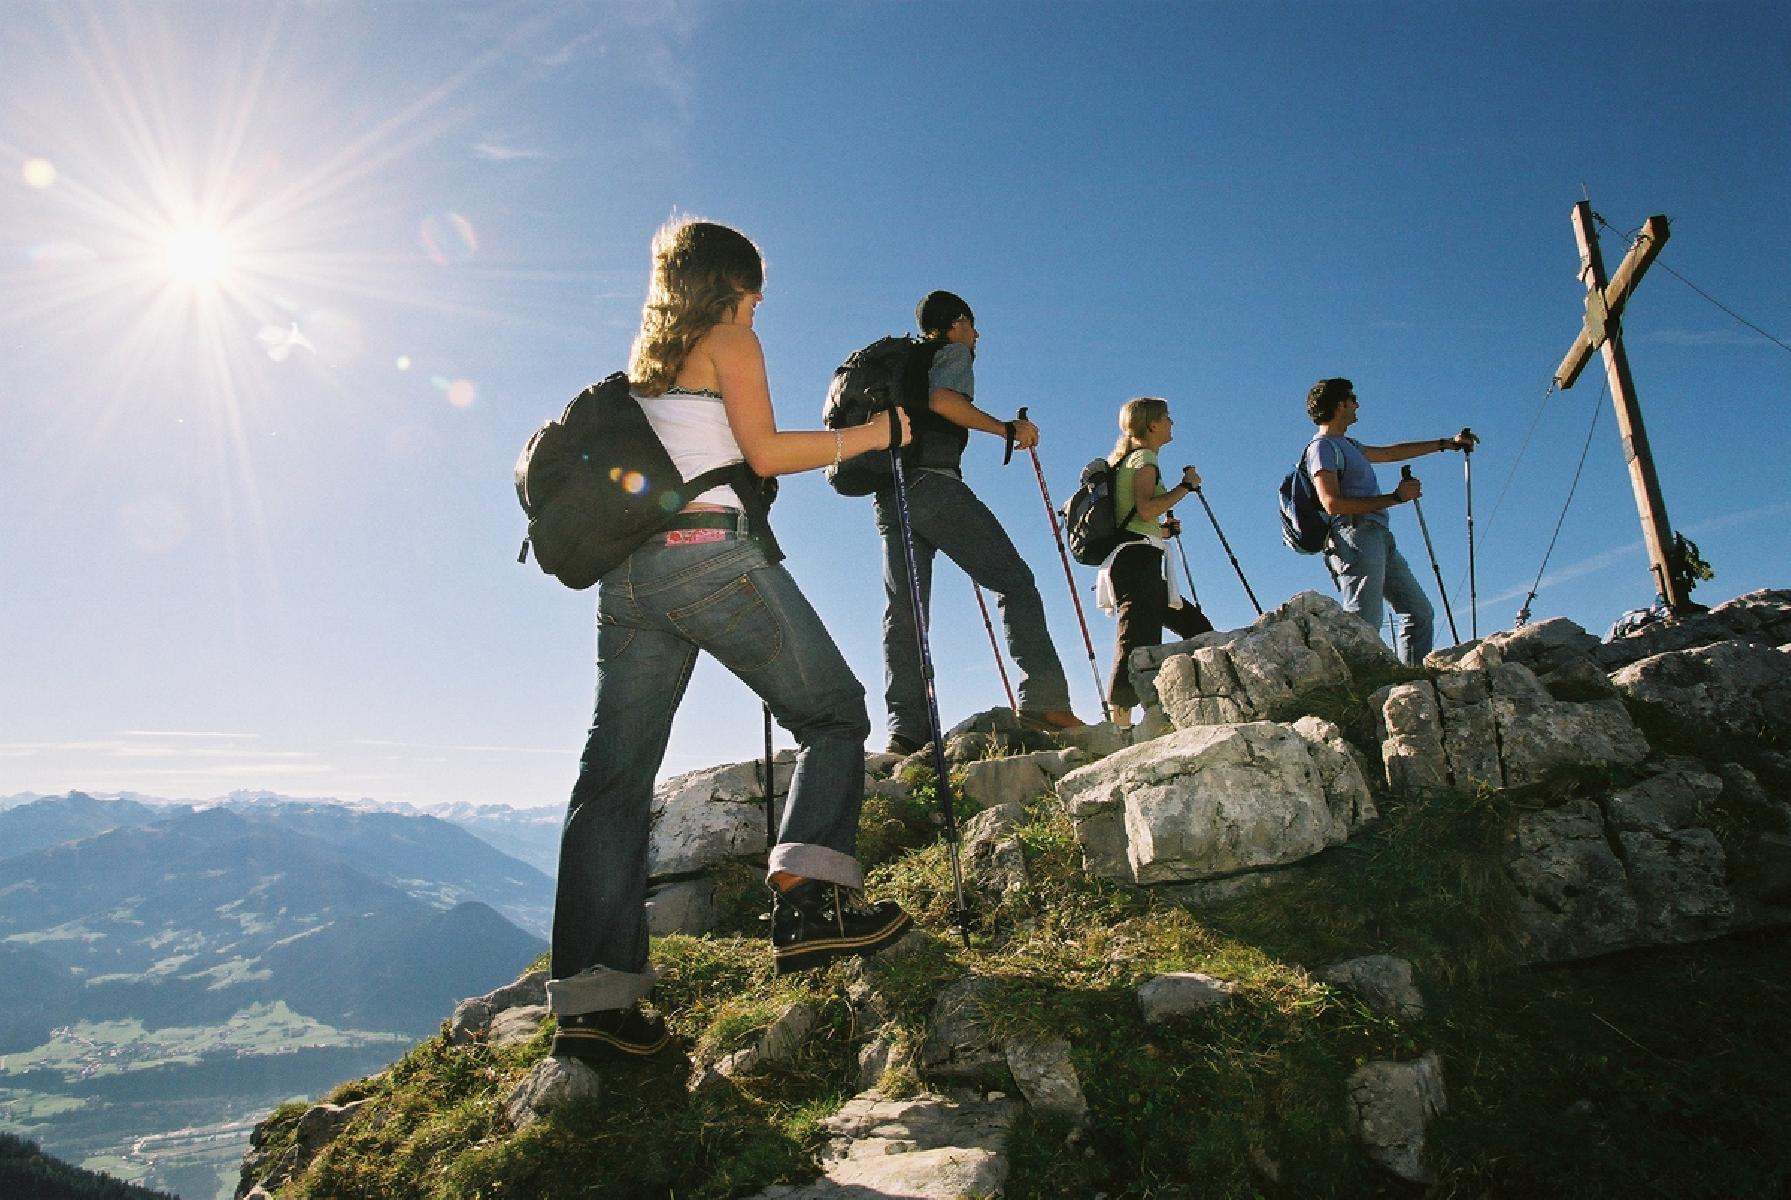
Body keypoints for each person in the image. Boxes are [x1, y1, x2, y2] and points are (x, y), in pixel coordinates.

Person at [546, 220, 914, 1064]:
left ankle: (595, 1005)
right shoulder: (729, 339)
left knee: (612, 782)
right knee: (832, 714)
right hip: (709, 558)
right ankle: (812, 901)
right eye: (754, 292)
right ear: (731, 286)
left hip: (628, 582)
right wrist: (874, 435)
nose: (756, 307)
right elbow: (767, 453)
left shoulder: (645, 368)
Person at [873, 290, 1084, 754]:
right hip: (933, 485)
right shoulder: (951, 352)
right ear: (957, 324)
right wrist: (1006, 429)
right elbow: (944, 401)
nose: (976, 336)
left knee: (905, 611)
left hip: (890, 491)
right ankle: (1045, 702)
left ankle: (906, 730)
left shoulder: (902, 364)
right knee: (1015, 582)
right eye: (972, 326)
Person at [1302, 377, 1476, 665]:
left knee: (1419, 613)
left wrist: (1447, 444)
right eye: (1353, 399)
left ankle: (1411, 680)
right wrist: (1395, 498)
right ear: (1340, 405)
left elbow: (1390, 453)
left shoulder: (1349, 445)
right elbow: (1332, 504)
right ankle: (1364, 684)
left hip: (1377, 535)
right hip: (1354, 534)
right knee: (1365, 621)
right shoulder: (1321, 448)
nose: (1357, 404)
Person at [1096, 397, 1214, 727]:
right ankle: (1120, 724)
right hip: (1137, 562)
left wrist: (1162, 531)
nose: (1171, 423)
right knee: (1136, 637)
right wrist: (1186, 486)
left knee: (1193, 626)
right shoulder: (1144, 458)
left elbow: (1136, 519)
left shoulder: (1127, 461)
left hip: (1134, 557)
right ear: (1152, 425)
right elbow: (1147, 508)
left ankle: (1133, 716)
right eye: (1167, 418)